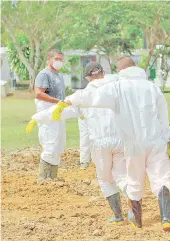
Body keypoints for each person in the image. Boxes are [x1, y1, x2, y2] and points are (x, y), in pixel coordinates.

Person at [54, 56, 170, 232]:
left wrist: (69, 100)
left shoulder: (117, 88)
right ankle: (165, 218)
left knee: (132, 181)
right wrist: (167, 140)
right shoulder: (152, 87)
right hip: (155, 141)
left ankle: (136, 220)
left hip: (132, 144)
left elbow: (91, 98)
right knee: (161, 178)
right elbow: (164, 118)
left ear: (120, 71)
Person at [27, 62, 127, 224]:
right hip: (121, 140)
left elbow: (61, 111)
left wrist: (37, 117)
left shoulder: (83, 95)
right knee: (123, 177)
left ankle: (118, 215)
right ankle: (134, 213)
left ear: (88, 78)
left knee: (106, 180)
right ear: (103, 73)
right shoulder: (118, 88)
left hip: (99, 143)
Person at [34, 49, 66, 183]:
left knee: (59, 143)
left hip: (58, 112)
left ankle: (52, 177)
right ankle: (43, 178)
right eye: (57, 59)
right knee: (50, 142)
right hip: (48, 113)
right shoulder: (44, 75)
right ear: (50, 59)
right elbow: (38, 93)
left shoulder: (59, 76)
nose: (59, 62)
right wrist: (56, 101)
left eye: (61, 59)